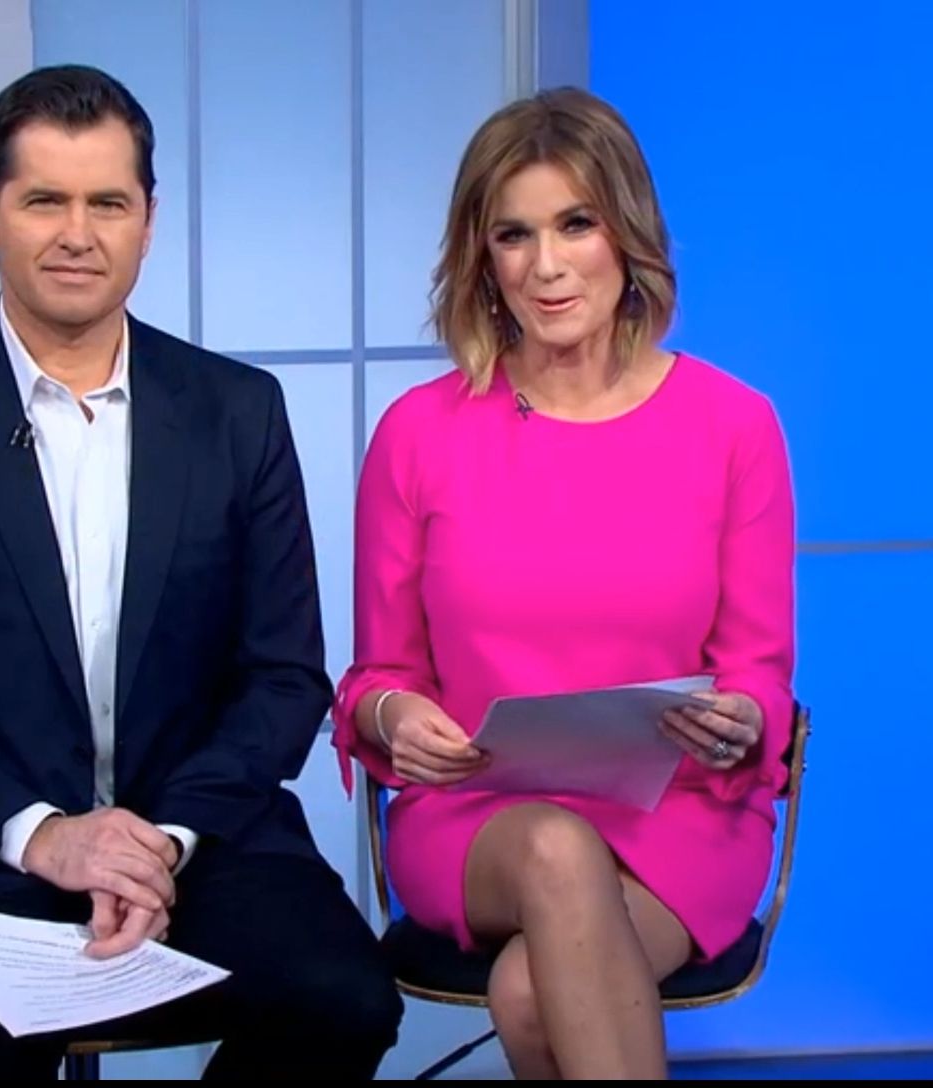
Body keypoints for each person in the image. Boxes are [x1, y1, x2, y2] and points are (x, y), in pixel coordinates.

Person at [0, 64, 402, 1080]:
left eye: (107, 203)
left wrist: (160, 839)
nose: (78, 234)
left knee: (344, 1000)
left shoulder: (237, 412)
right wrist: (43, 835)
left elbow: (283, 678)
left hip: (193, 838)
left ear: (147, 220)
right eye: (45, 201)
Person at [332, 86, 796, 1080]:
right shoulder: (418, 435)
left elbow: (758, 672)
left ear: (627, 232)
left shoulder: (734, 427)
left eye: (575, 224)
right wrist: (392, 715)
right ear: (483, 258)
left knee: (528, 991)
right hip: (475, 819)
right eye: (514, 234)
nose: (545, 265)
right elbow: (376, 675)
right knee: (552, 848)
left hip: (676, 813)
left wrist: (741, 720)